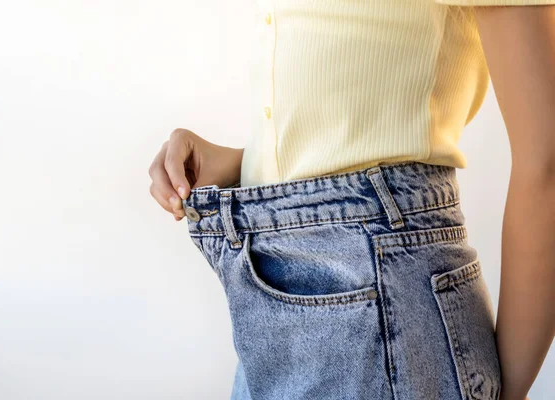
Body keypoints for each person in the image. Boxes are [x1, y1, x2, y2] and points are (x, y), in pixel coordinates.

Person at [149, 2, 555, 399]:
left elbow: (546, 164)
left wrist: (511, 390)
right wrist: (249, 164)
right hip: (277, 303)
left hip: (380, 285)